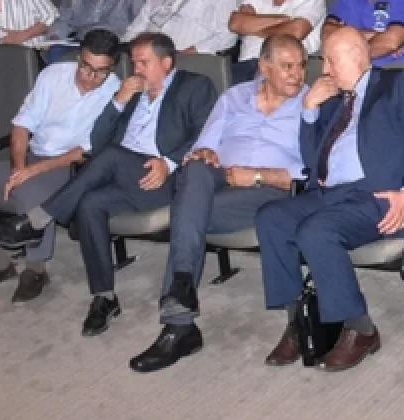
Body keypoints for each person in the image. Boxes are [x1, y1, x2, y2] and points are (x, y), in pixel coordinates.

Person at [0, 32, 219, 336]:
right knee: (90, 204)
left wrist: (169, 162)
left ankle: (37, 220)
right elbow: (96, 141)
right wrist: (118, 101)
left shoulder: (194, 86)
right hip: (122, 175)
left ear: (166, 63)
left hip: (160, 177)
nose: (136, 70)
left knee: (110, 157)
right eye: (134, 63)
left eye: (143, 63)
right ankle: (104, 297)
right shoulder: (129, 92)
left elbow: (207, 134)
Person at [251, 27, 404, 371]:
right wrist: (309, 108)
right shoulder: (334, 99)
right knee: (271, 217)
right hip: (329, 193)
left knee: (316, 231)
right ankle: (301, 322)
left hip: (375, 196)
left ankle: (360, 327)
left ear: (355, 56)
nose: (324, 69)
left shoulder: (397, 84)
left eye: (330, 60)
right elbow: (310, 161)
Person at [129, 33, 309, 373]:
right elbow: (205, 142)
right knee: (195, 168)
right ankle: (183, 287)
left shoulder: (310, 105)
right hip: (221, 179)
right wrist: (206, 152)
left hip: (269, 189)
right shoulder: (234, 97)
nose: (297, 75)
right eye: (287, 67)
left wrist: (257, 175)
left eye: (300, 66)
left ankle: (180, 322)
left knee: (187, 215)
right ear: (264, 66)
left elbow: (314, 170)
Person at [0, 29, 122, 303]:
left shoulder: (115, 92)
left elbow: (85, 150)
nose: (91, 78)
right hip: (34, 155)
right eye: (86, 67)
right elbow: (22, 124)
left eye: (101, 72)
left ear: (112, 67)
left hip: (70, 165)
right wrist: (20, 168)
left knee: (31, 192)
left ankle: (35, 269)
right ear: (79, 58)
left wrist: (31, 173)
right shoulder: (53, 76)